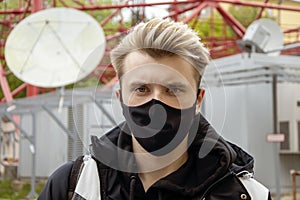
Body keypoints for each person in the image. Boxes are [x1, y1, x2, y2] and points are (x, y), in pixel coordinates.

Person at [39, 18, 271, 200]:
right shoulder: (73, 185)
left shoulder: (248, 195)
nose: (156, 104)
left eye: (173, 90)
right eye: (141, 89)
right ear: (120, 98)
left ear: (198, 99)